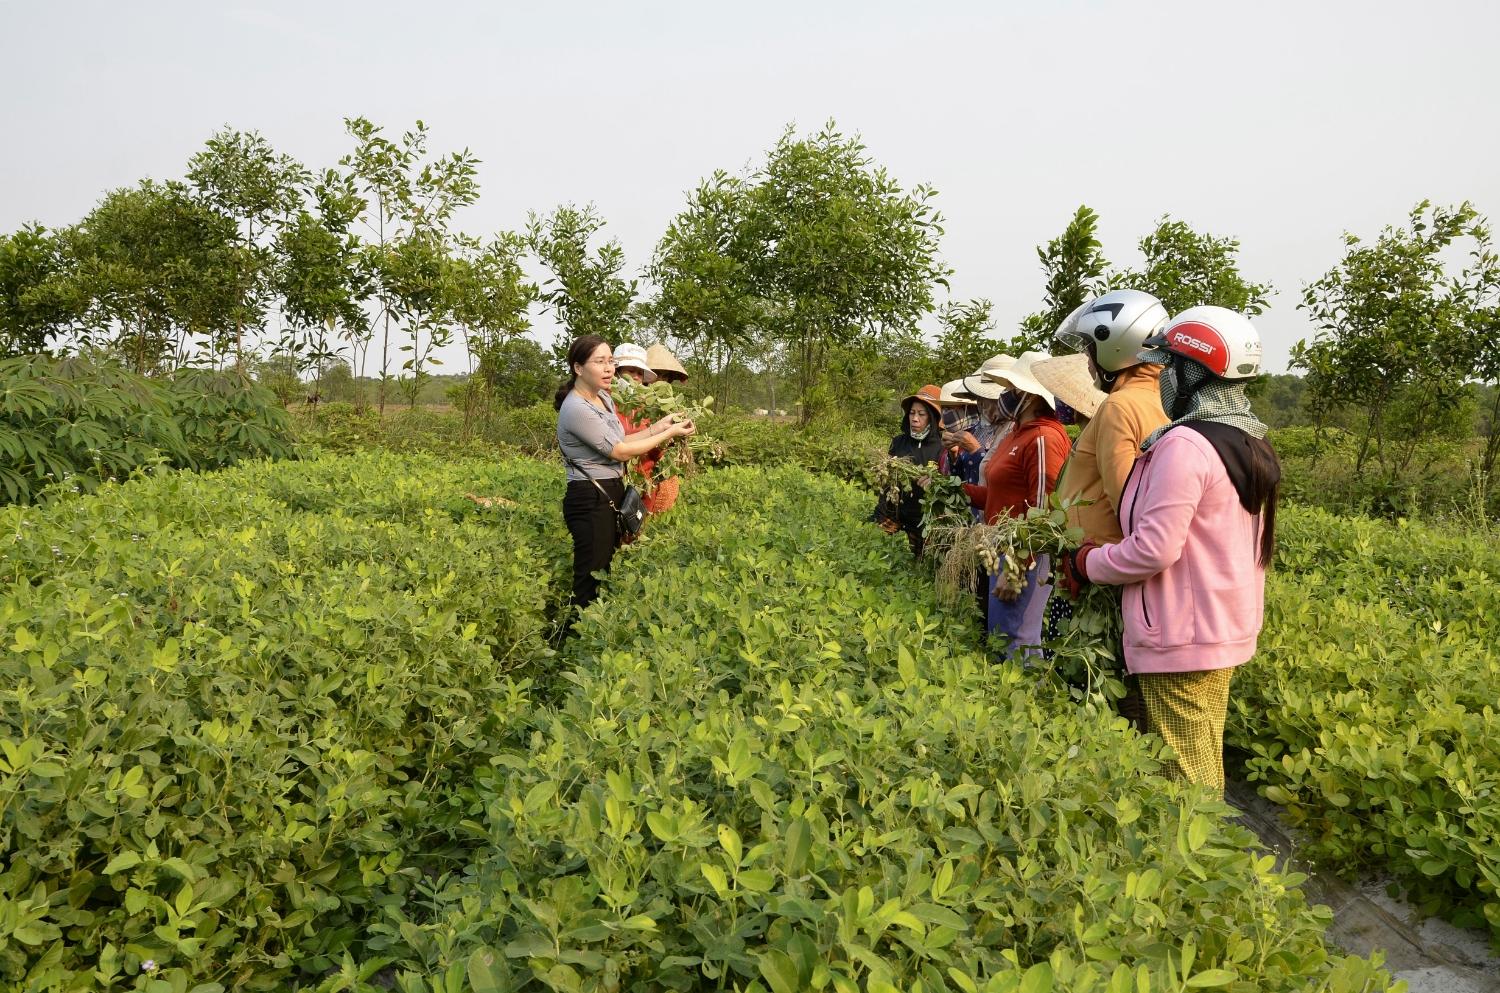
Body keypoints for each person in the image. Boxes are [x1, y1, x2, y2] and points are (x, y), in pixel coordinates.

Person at [1060, 307, 1281, 792]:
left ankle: (1198, 863)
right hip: (1220, 626)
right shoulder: (1250, 441)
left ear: (1192, 373)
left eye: (1168, 366)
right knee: (1198, 756)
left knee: (1186, 779)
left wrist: (1086, 561)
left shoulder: (1186, 444)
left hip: (1182, 631)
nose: (1161, 377)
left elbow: (1152, 550)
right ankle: (1203, 857)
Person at [1034, 290, 1170, 711]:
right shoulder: (1158, 405)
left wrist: (1088, 560)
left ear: (1115, 348)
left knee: (1075, 698)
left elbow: (1128, 504)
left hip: (1092, 579)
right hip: (1117, 578)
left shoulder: (1118, 408)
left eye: (1091, 349)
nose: (1089, 362)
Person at [555, 335, 695, 616]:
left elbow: (625, 438)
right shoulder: (577, 408)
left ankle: (592, 631)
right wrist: (669, 433)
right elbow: (620, 451)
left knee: (605, 567)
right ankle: (570, 639)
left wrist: (660, 426)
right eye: (599, 362)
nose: (608, 368)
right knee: (589, 578)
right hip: (589, 497)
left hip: (609, 489)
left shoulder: (603, 399)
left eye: (610, 361)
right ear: (578, 368)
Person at [962, 351, 1072, 656]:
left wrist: (1018, 569)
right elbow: (999, 497)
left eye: (1013, 390)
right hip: (1005, 549)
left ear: (1032, 396)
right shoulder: (1017, 434)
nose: (1007, 396)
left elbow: (1044, 511)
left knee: (1017, 638)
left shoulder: (1043, 438)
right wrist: (959, 490)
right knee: (1001, 636)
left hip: (1025, 555)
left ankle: (1026, 701)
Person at [875, 384, 944, 556]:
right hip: (896, 517)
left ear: (933, 418)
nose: (915, 418)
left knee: (919, 569)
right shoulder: (899, 442)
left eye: (921, 414)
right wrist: (882, 512)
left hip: (925, 523)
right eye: (912, 413)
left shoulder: (942, 447)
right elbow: (886, 482)